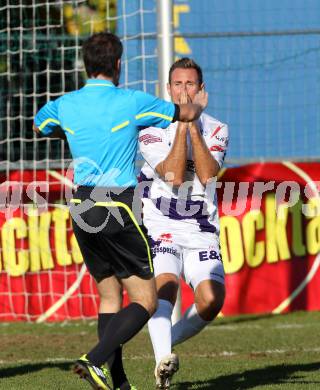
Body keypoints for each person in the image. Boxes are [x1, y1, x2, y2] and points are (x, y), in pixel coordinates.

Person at [33, 33, 208, 390]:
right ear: (117, 65)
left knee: (110, 295)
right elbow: (183, 114)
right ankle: (94, 359)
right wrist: (197, 105)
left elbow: (41, 125)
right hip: (117, 206)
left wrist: (77, 133)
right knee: (146, 299)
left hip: (81, 205)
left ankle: (119, 383)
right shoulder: (131, 101)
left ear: (85, 65)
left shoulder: (66, 103)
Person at [138, 57, 229, 389]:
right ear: (168, 89)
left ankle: (166, 344)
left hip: (201, 229)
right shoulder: (150, 127)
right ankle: (163, 364)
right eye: (178, 84)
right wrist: (180, 122)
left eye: (190, 84)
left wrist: (192, 123)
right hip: (160, 223)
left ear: (201, 89)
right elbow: (174, 175)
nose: (184, 90)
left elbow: (206, 174)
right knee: (165, 287)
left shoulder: (218, 128)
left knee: (211, 299)